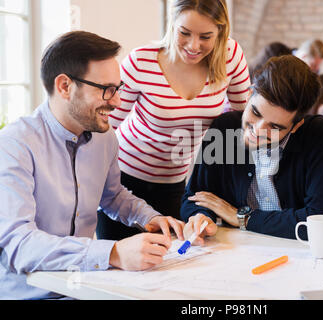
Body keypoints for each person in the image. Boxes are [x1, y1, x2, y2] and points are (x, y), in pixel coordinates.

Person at [0, 31, 185, 300]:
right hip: (29, 295)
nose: (118, 101)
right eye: (106, 90)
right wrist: (113, 253)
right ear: (64, 86)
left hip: (86, 288)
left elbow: (113, 196)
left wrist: (151, 219)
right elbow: (18, 244)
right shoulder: (14, 145)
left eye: (118, 88)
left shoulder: (105, 138)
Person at [97, 0, 251, 240]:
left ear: (220, 33)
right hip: (123, 181)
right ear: (172, 24)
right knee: (117, 268)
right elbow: (105, 126)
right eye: (185, 33)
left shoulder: (230, 58)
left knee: (169, 265)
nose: (193, 45)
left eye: (205, 37)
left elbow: (241, 123)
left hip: (174, 183)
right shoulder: (141, 61)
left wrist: (222, 186)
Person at [180, 55, 323, 242]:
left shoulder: (321, 135)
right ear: (250, 94)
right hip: (238, 251)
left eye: (274, 127)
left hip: (300, 254)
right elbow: (195, 197)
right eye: (255, 112)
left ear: (297, 125)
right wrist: (201, 217)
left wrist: (243, 218)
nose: (257, 130)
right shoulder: (225, 128)